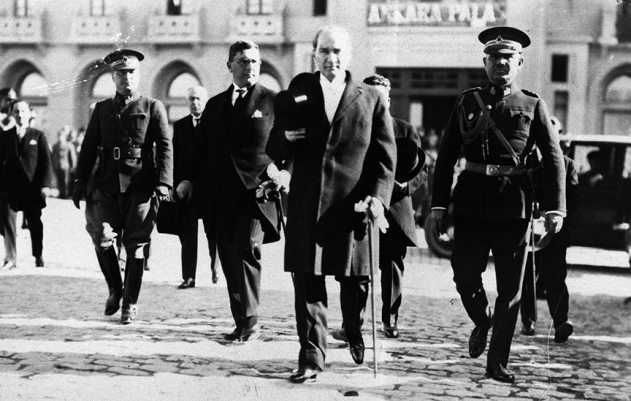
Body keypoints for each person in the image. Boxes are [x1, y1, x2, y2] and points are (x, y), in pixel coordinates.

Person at [429, 26, 566, 383]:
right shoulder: (467, 102)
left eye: (508, 57)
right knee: (464, 276)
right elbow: (446, 156)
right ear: (484, 62)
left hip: (514, 207)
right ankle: (482, 318)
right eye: (494, 57)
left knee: (511, 289)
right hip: (471, 203)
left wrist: (556, 208)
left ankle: (497, 361)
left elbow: (553, 159)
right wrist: (438, 204)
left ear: (519, 63)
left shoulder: (533, 105)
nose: (501, 63)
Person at [266, 26, 396, 383]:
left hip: (352, 207)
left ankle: (353, 327)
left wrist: (378, 198)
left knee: (355, 282)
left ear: (348, 55)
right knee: (308, 283)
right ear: (315, 55)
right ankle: (311, 357)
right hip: (308, 205)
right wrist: (286, 136)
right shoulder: (298, 94)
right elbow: (274, 147)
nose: (330, 58)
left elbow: (385, 159)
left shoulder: (371, 99)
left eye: (337, 51)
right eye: (324, 51)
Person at [177, 40, 286, 343]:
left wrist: (285, 171)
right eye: (243, 61)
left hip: (257, 194)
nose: (250, 66)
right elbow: (198, 149)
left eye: (254, 61)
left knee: (247, 248)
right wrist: (186, 180)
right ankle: (240, 320)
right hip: (220, 195)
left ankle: (251, 320)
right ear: (230, 66)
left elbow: (291, 143)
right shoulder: (215, 105)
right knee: (227, 255)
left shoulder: (274, 101)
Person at [72, 49, 173, 324]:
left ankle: (130, 303)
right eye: (120, 73)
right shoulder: (102, 109)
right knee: (101, 236)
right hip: (106, 184)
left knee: (136, 245)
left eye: (131, 72)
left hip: (141, 185)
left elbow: (165, 146)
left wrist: (164, 182)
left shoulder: (153, 107)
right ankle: (115, 289)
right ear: (113, 77)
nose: (126, 77)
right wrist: (79, 181)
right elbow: (89, 146)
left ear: (138, 75)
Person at [362, 74, 427, 338]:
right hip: (362, 207)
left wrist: (404, 185)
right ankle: (353, 323)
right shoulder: (355, 127)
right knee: (358, 268)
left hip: (395, 209)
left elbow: (421, 170)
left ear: (388, 100)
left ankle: (389, 320)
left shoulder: (405, 130)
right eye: (370, 97)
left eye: (381, 98)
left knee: (391, 267)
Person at [520, 116, 580, 343]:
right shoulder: (526, 163)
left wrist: (555, 214)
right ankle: (528, 321)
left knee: (555, 277)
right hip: (529, 231)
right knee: (527, 278)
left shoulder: (567, 164)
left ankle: (561, 323)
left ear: (559, 136)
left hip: (556, 233)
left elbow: (574, 199)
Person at [172, 85, 219, 288]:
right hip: (187, 189)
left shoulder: (215, 125)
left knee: (213, 231)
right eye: (191, 99)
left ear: (206, 100)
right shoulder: (180, 126)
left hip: (210, 189)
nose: (195, 103)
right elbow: (176, 158)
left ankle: (215, 266)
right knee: (187, 232)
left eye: (199, 98)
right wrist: (175, 186)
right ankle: (189, 276)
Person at [0, 99, 53, 268]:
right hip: (10, 188)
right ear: (12, 114)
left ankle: (38, 255)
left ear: (29, 114)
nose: (20, 115)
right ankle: (10, 258)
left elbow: (46, 162)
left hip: (32, 188)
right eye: (16, 111)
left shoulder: (38, 135)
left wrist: (45, 184)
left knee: (34, 222)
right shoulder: (5, 136)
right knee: (7, 220)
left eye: (23, 111)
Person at [0, 87, 18, 270]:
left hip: (10, 181)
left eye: (13, 100)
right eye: (7, 100)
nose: (11, 103)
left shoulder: (15, 125)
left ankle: (11, 257)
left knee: (9, 219)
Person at [51, 125, 78, 199]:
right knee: (59, 180)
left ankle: (66, 194)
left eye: (62, 136)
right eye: (59, 135)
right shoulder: (55, 145)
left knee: (65, 181)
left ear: (64, 137)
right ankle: (61, 193)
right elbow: (53, 156)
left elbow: (73, 157)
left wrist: (73, 166)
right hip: (57, 165)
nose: (60, 137)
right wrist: (53, 165)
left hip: (65, 166)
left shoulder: (69, 145)